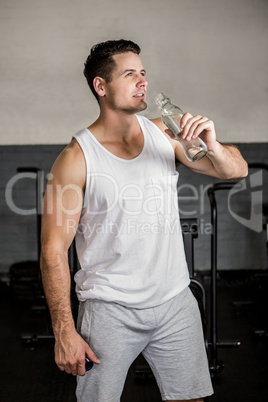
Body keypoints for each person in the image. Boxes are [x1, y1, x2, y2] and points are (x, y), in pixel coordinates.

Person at [40, 39, 248, 402]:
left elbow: (237, 171)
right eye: (130, 74)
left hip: (174, 302)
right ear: (101, 87)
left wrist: (212, 145)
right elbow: (53, 249)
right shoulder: (76, 159)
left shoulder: (164, 134)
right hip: (109, 311)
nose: (143, 81)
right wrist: (64, 330)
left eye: (144, 73)